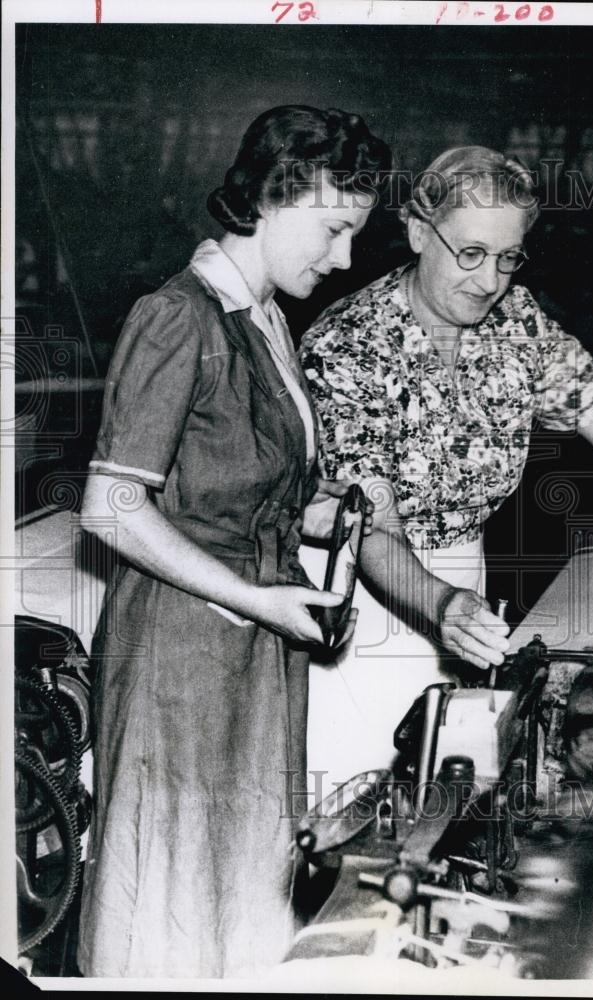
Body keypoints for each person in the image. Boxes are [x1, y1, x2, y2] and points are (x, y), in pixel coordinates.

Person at [75, 105, 394, 979]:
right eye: (334, 230)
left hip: (251, 647)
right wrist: (260, 598)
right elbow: (109, 506)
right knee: (176, 886)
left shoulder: (263, 319)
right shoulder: (180, 316)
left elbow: (235, 476)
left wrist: (313, 514)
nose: (343, 259)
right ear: (271, 197)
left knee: (244, 880)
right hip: (183, 649)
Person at [300, 146, 593, 793]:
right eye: (469, 253)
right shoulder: (348, 345)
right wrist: (441, 604)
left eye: (507, 258)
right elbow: (374, 529)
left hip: (463, 593)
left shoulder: (516, 323)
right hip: (361, 604)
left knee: (455, 793)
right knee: (359, 801)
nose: (488, 281)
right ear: (418, 232)